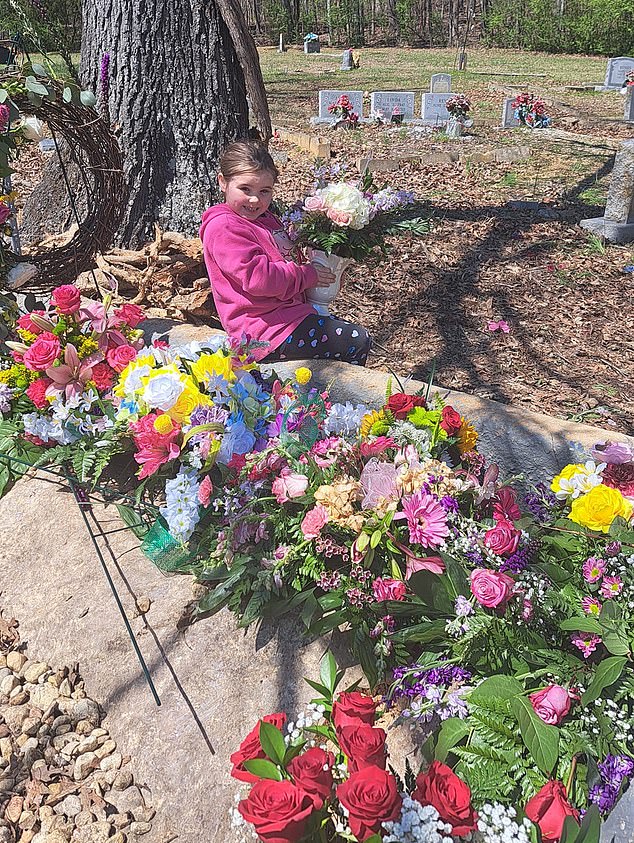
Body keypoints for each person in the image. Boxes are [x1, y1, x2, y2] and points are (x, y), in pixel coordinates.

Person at [199, 140, 371, 366]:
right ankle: (335, 399)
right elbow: (259, 279)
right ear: (223, 182)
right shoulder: (225, 227)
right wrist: (307, 275)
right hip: (262, 332)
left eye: (264, 191)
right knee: (356, 340)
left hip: (287, 318)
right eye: (245, 189)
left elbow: (284, 256)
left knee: (346, 336)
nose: (255, 199)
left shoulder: (265, 219)